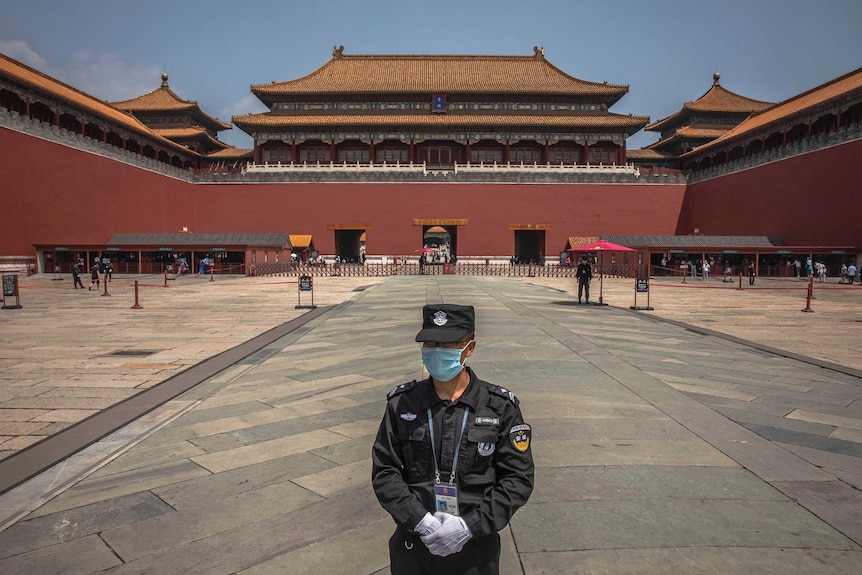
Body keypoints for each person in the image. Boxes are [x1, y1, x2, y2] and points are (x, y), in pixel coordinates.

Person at [372, 304, 534, 575]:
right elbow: (385, 471)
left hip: (475, 550)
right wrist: (420, 520)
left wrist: (469, 526)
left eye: (448, 344)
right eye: (430, 343)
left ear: (469, 348)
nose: (437, 351)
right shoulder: (403, 405)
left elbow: (518, 479)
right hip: (414, 545)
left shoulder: (499, 408)